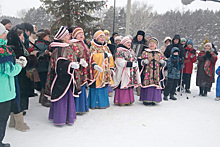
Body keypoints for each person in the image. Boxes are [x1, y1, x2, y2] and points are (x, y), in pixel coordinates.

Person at [45, 26, 80, 125]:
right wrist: (70, 65)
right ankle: (60, 118)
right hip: (61, 78)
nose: (69, 36)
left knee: (66, 96)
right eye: (67, 35)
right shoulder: (58, 49)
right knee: (61, 97)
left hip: (68, 76)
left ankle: (66, 116)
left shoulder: (65, 47)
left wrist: (78, 62)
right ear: (62, 37)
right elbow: (58, 64)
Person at [0, 23, 27, 147]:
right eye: (4, 32)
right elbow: (10, 71)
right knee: (1, 120)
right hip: (3, 93)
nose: (6, 34)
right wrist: (20, 64)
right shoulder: (3, 51)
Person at [7, 23, 37, 132]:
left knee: (16, 97)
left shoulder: (12, 45)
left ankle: (13, 121)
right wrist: (32, 59)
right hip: (17, 76)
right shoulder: (14, 47)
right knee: (17, 97)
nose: (23, 37)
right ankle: (19, 122)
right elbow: (21, 60)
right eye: (20, 35)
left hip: (18, 76)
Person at [88, 30, 115, 109]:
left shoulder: (106, 47)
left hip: (105, 71)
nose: (102, 38)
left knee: (104, 86)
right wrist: (103, 55)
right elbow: (92, 57)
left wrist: (111, 67)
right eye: (100, 36)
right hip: (97, 70)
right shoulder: (93, 47)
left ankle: (103, 103)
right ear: (96, 38)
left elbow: (111, 58)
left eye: (103, 36)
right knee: (96, 86)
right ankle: (94, 103)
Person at [69, 27, 93, 114]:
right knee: (77, 87)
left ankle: (82, 107)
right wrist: (79, 61)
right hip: (77, 69)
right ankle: (77, 107)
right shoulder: (72, 44)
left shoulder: (84, 44)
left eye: (82, 34)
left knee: (82, 86)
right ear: (75, 35)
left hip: (84, 69)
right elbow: (71, 55)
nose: (81, 36)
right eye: (79, 34)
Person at [113, 36, 141, 106]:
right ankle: (121, 100)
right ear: (124, 43)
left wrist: (135, 64)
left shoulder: (131, 51)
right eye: (127, 42)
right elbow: (119, 61)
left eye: (130, 42)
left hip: (131, 72)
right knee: (123, 84)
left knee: (129, 85)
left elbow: (135, 59)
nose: (129, 44)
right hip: (123, 72)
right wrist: (130, 64)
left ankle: (129, 100)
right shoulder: (120, 51)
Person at [139, 37, 166, 105]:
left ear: (156, 45)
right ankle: (146, 99)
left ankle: (154, 99)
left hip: (156, 73)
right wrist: (142, 62)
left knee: (155, 85)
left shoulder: (160, 53)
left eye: (153, 43)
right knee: (147, 85)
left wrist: (163, 63)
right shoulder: (145, 52)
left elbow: (165, 61)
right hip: (147, 72)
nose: (152, 45)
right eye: (150, 43)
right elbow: (139, 60)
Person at [34, 29, 51, 107]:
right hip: (43, 66)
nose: (48, 38)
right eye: (47, 36)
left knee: (44, 82)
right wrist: (46, 54)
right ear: (43, 37)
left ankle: (42, 98)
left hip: (44, 65)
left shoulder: (44, 43)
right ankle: (44, 100)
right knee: (44, 82)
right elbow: (39, 54)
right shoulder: (40, 44)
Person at [132, 30, 147, 96]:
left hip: (141, 61)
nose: (139, 38)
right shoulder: (133, 42)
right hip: (133, 60)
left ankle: (139, 89)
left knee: (140, 75)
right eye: (138, 36)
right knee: (132, 74)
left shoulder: (145, 44)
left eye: (141, 36)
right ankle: (131, 87)